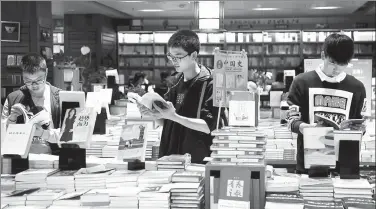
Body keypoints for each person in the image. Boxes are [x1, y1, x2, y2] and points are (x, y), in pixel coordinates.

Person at [138, 30, 224, 163]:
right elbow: (167, 121)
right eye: (171, 56)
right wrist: (154, 114)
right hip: (170, 154)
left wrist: (174, 117)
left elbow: (210, 126)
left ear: (193, 55)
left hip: (198, 159)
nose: (174, 61)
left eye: (178, 56)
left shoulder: (211, 82)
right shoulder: (174, 81)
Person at [286, 34, 366, 173]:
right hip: (309, 162)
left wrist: (360, 130)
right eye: (332, 63)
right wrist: (305, 128)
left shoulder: (357, 87)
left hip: (344, 163)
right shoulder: (301, 82)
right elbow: (291, 119)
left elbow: (360, 123)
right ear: (323, 55)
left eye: (342, 64)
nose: (337, 69)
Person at [1, 53, 62, 154]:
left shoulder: (59, 97)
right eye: (28, 81)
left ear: (46, 73)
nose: (34, 86)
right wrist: (11, 119)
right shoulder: (13, 98)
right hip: (20, 159)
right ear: (23, 76)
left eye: (38, 80)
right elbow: (3, 137)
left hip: (54, 158)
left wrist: (43, 133)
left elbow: (70, 135)